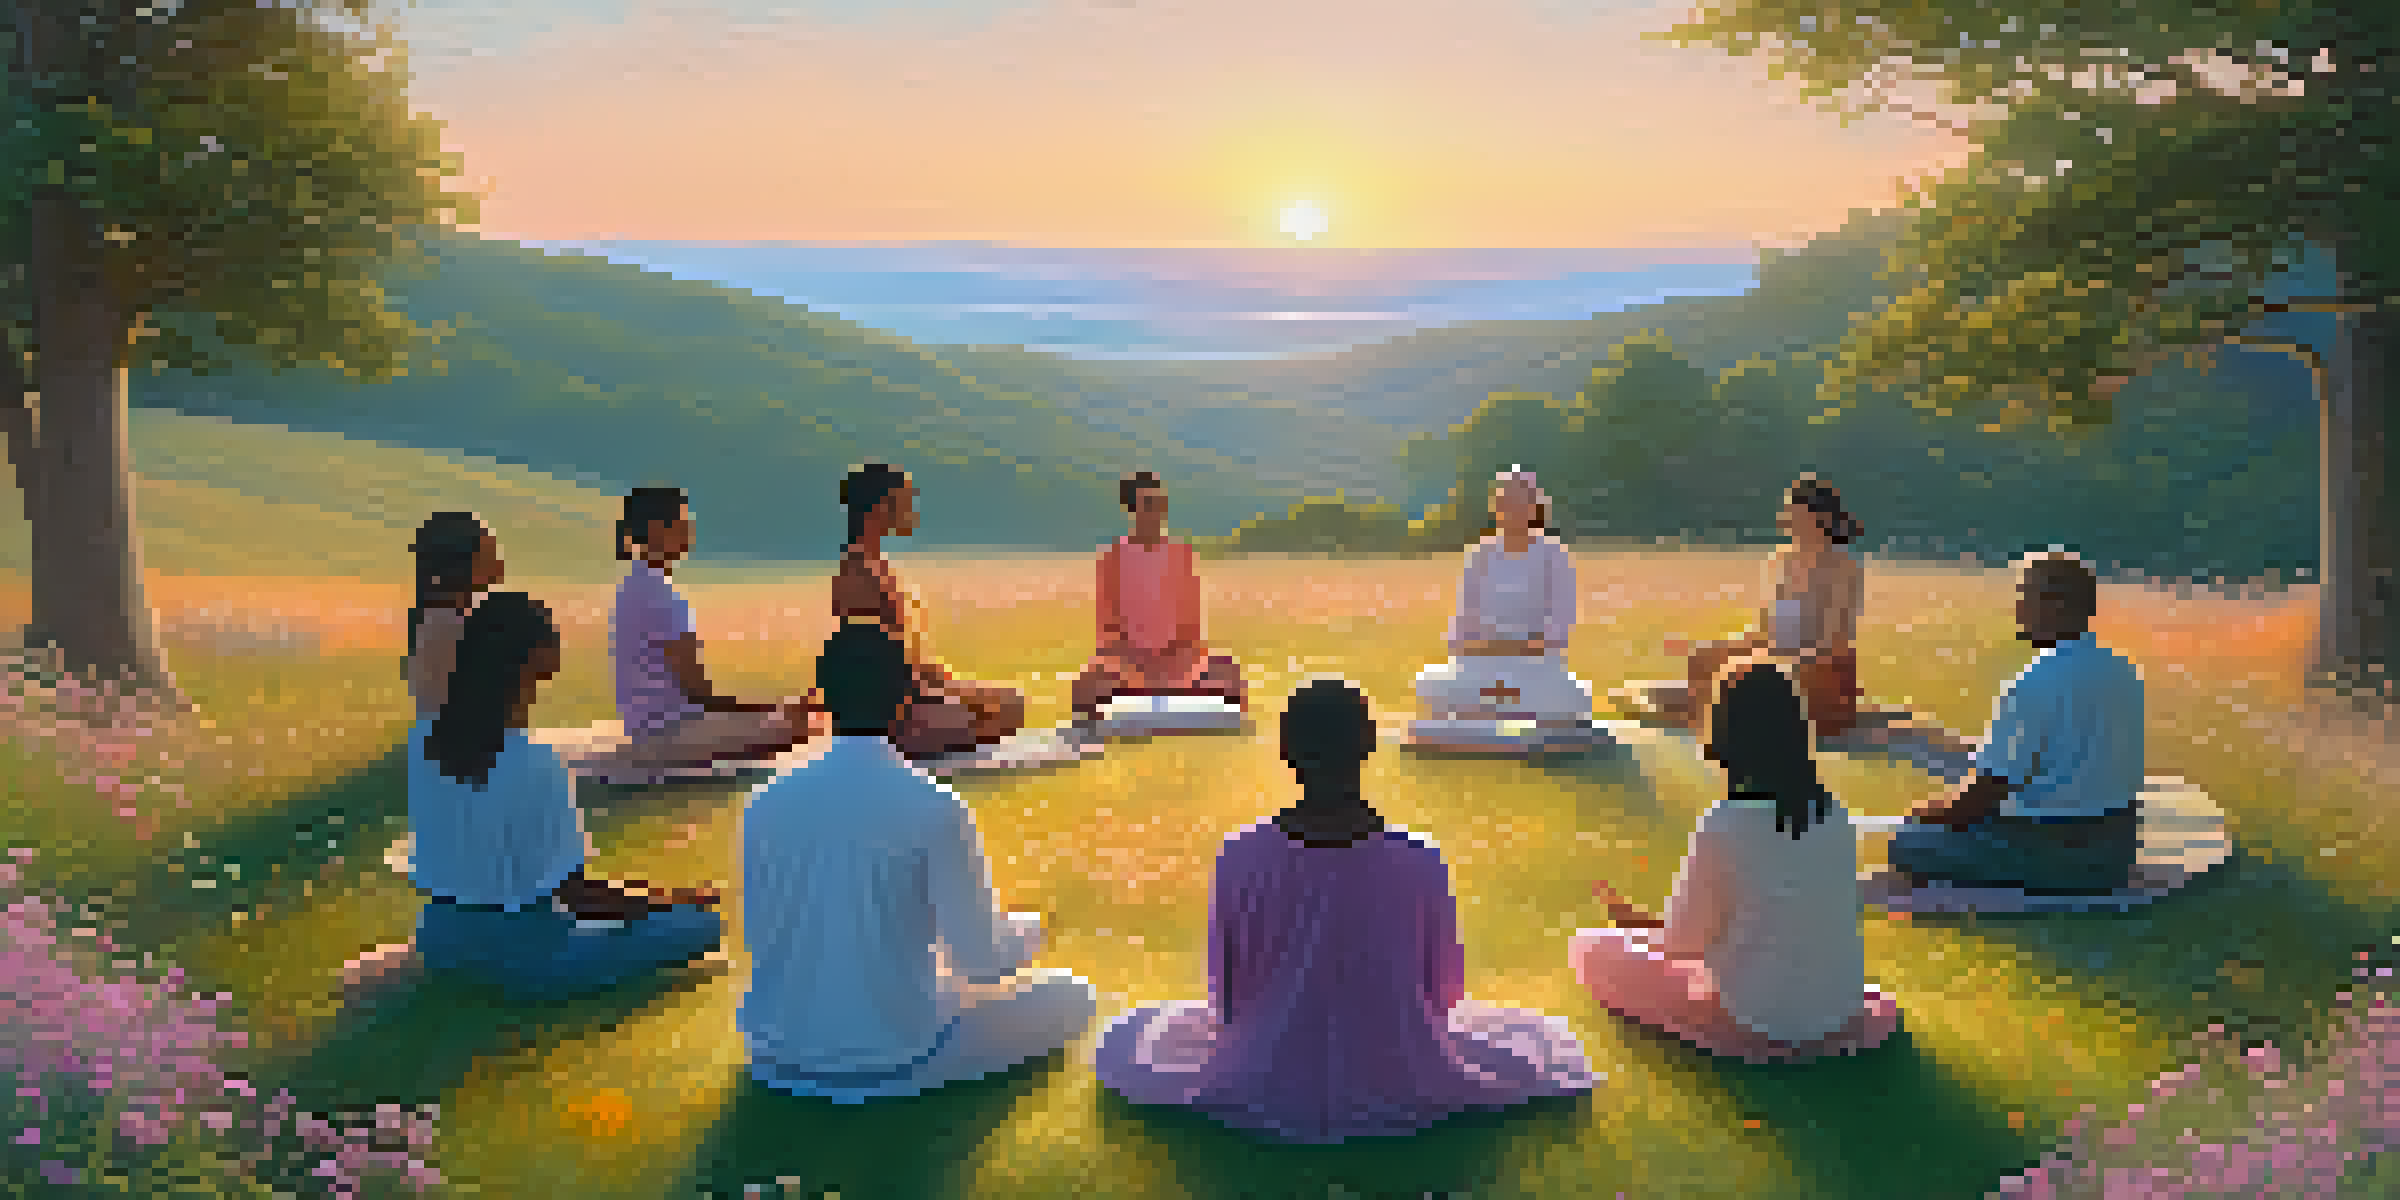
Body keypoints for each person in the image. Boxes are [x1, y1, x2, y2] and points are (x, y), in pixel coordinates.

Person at [1092, 678, 1597, 1143]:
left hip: (1265, 1072)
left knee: (1130, 1038)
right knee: (1539, 1042)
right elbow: (1444, 995)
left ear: (1287, 753)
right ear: (1368, 747)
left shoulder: (1241, 855)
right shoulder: (1419, 859)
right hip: (1402, 1068)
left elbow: (1227, 999)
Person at [740, 624, 1096, 1102]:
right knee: (1072, 996)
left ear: (822, 696)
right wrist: (1030, 931)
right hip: (892, 1055)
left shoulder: (763, 802)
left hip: (772, 1052)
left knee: (931, 976)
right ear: (907, 699)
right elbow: (983, 963)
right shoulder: (933, 805)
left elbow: (767, 937)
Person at [1571, 658, 1896, 1063]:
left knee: (1590, 948)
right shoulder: (1833, 811)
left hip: (1751, 1018)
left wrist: (1639, 930)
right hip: (1836, 1011)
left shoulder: (1726, 821)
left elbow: (1681, 946)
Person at [409, 592, 724, 998]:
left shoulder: (426, 743)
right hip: (524, 951)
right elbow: (575, 894)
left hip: (439, 937)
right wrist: (669, 903)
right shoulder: (534, 762)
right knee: (701, 927)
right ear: (539, 658)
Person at [1884, 551, 2146, 895]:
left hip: (2059, 854)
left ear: (2055, 604)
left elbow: (1988, 792)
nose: (2018, 610)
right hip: (2119, 851)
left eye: (2025, 597)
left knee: (1909, 843)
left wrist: (1932, 813)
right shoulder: (2123, 670)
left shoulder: (2036, 681)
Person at [827, 464, 1026, 759]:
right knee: (1003, 711)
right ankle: (908, 739)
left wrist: (953, 686)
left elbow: (909, 657)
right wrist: (941, 696)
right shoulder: (859, 574)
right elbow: (875, 668)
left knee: (1009, 703)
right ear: (882, 508)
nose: (912, 510)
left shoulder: (874, 566)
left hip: (912, 691)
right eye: (906, 501)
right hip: (892, 710)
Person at [612, 487, 819, 769]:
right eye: (683, 522)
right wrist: (773, 709)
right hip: (668, 736)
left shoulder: (633, 584)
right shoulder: (662, 595)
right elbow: (700, 694)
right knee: (796, 728)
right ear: (657, 529)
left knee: (781, 719)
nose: (690, 530)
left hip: (644, 727)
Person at [1668, 476, 1866, 738]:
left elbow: (1834, 641)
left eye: (1796, 515)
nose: (1789, 522)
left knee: (1768, 675)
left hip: (1824, 667)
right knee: (1704, 657)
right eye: (1789, 515)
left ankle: (1754, 722)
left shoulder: (1843, 567)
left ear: (1819, 519)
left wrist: (1782, 660)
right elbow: (1766, 630)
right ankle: (1707, 730)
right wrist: (1724, 647)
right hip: (1780, 656)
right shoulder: (1781, 560)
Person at [1414, 467, 1593, 729]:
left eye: (1522, 503)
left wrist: (1512, 648)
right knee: (1428, 684)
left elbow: (1558, 630)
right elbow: (1461, 629)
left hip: (1535, 669)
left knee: (1574, 694)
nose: (1513, 511)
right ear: (1496, 509)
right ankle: (1498, 712)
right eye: (1506, 503)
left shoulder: (1554, 554)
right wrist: (1486, 650)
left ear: (1535, 508)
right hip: (1481, 667)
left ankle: (1486, 714)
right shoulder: (1480, 554)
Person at [1070, 471, 1247, 720]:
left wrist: (1174, 658)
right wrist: (1136, 662)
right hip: (1127, 664)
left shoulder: (1180, 554)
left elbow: (1191, 624)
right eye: (1148, 504)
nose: (1157, 512)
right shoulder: (1113, 558)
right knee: (1086, 686)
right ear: (1132, 509)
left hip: (1178, 663)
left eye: (1159, 503)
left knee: (1229, 672)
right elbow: (1108, 628)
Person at [403, 512, 504, 723]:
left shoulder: (446, 617)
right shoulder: (446, 625)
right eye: (490, 552)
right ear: (463, 564)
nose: (499, 560)